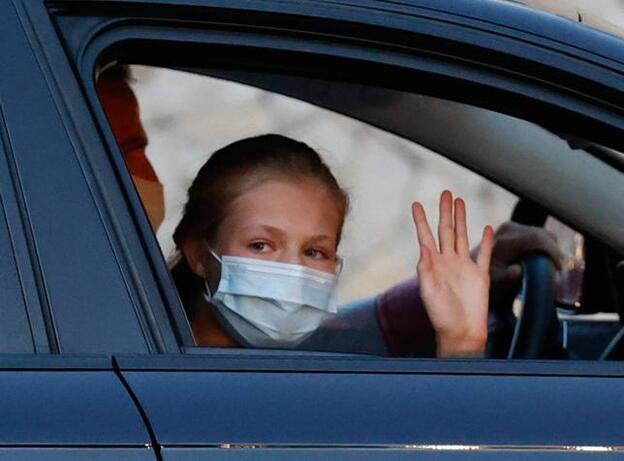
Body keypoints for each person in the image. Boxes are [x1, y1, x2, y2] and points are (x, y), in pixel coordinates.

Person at [170, 133, 503, 357]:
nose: (293, 272)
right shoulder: (164, 378)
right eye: (260, 245)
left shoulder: (291, 373)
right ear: (198, 253)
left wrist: (462, 339)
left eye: (315, 252)